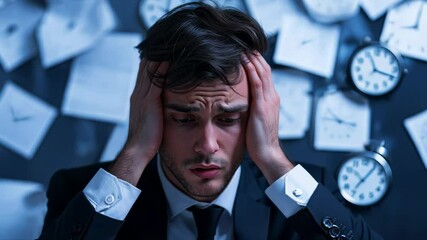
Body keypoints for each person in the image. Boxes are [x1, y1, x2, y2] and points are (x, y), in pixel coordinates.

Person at [39, 2, 383, 240]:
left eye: (229, 118)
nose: (207, 145)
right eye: (184, 119)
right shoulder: (80, 195)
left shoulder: (301, 199)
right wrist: (134, 154)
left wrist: (274, 158)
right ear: (151, 113)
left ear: (256, 115)